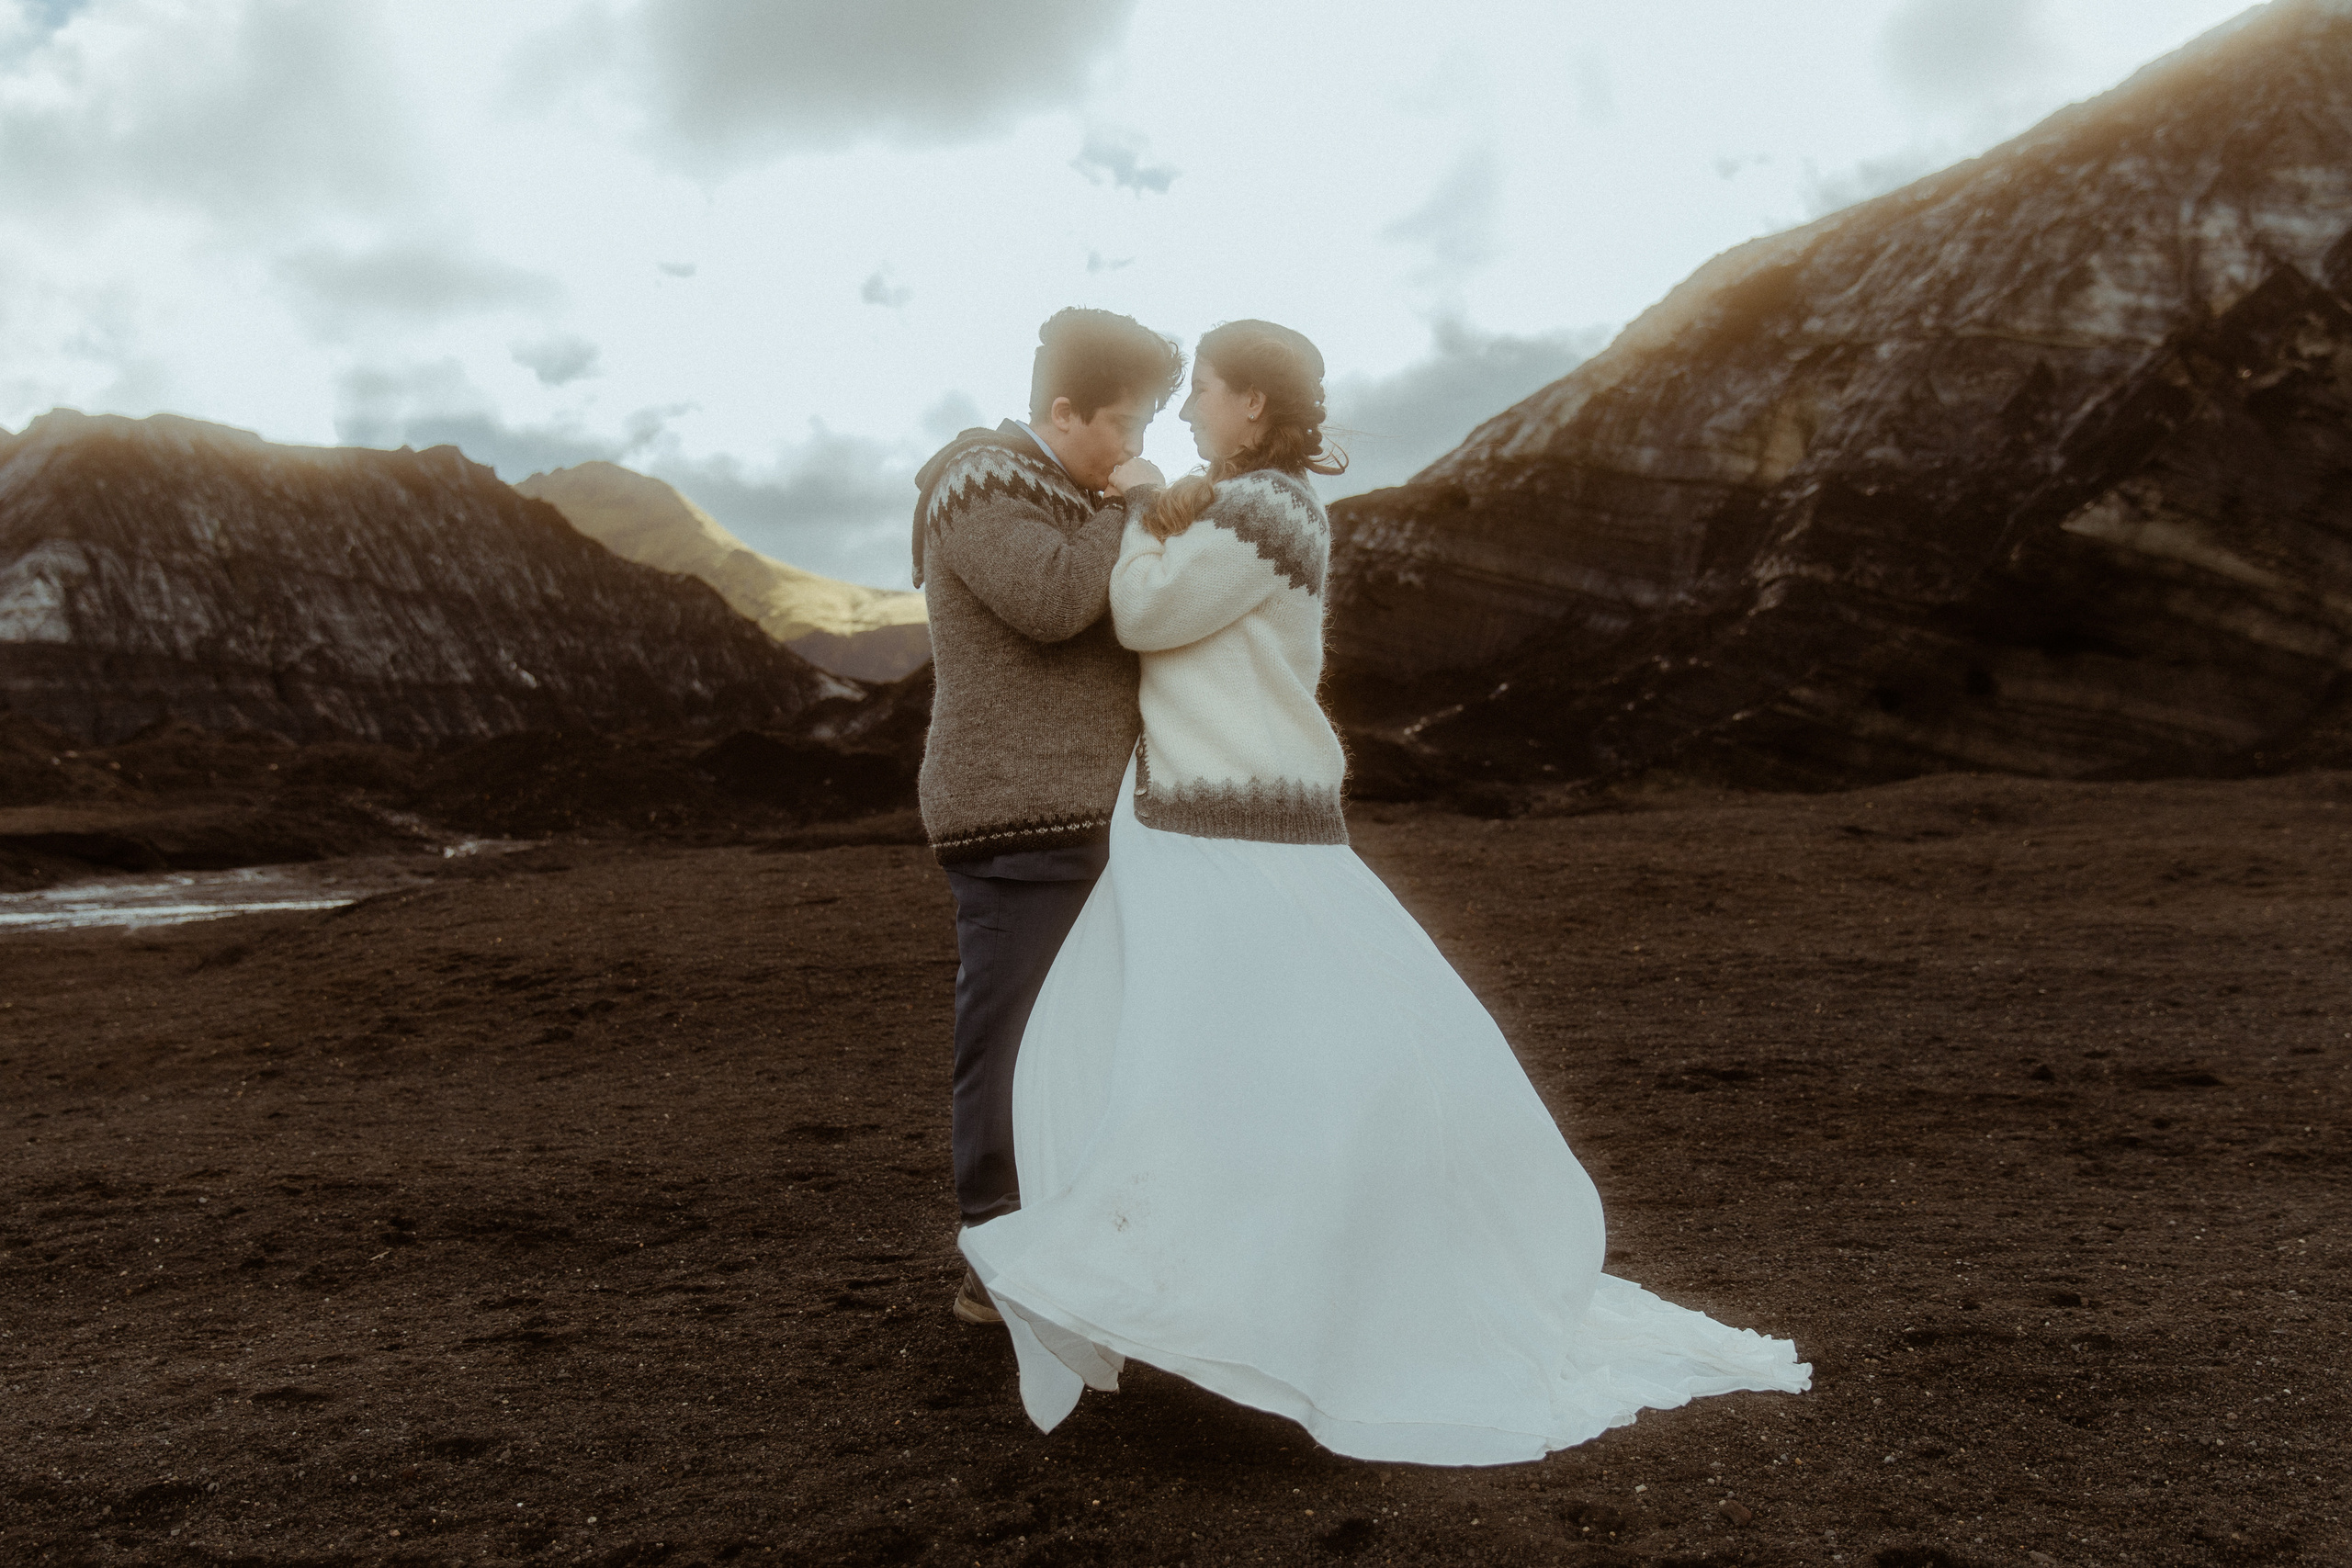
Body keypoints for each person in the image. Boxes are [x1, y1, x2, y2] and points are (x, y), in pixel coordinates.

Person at [957, 319, 1811, 1465]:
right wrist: (1161, 506)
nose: (1187, 412)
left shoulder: (1263, 507)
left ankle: (1296, 1286)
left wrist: (1143, 501)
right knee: (1182, 1048)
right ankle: (1195, 1282)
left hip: (1235, 818)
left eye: (1203, 390)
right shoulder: (1237, 501)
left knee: (1259, 1049)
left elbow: (1146, 615)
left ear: (1251, 405)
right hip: (1195, 816)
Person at [911, 307, 1182, 1324]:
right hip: (1014, 815)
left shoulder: (1071, 488)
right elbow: (1054, 598)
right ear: (1064, 412)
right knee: (1012, 1039)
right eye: (1126, 425)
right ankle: (994, 1264)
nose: (1136, 449)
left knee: (1086, 1040)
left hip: (1090, 813)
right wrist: (1140, 508)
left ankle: (1074, 1251)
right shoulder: (979, 479)